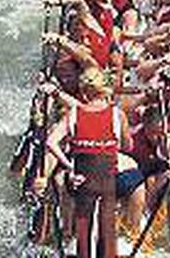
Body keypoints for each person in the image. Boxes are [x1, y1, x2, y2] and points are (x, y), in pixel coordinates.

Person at [40, 65, 128, 258]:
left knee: (83, 229)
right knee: (108, 227)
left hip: (81, 182)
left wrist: (69, 166)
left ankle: (77, 246)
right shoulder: (117, 114)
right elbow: (126, 147)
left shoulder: (74, 114)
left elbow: (51, 142)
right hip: (108, 183)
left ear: (84, 92)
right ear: (105, 90)